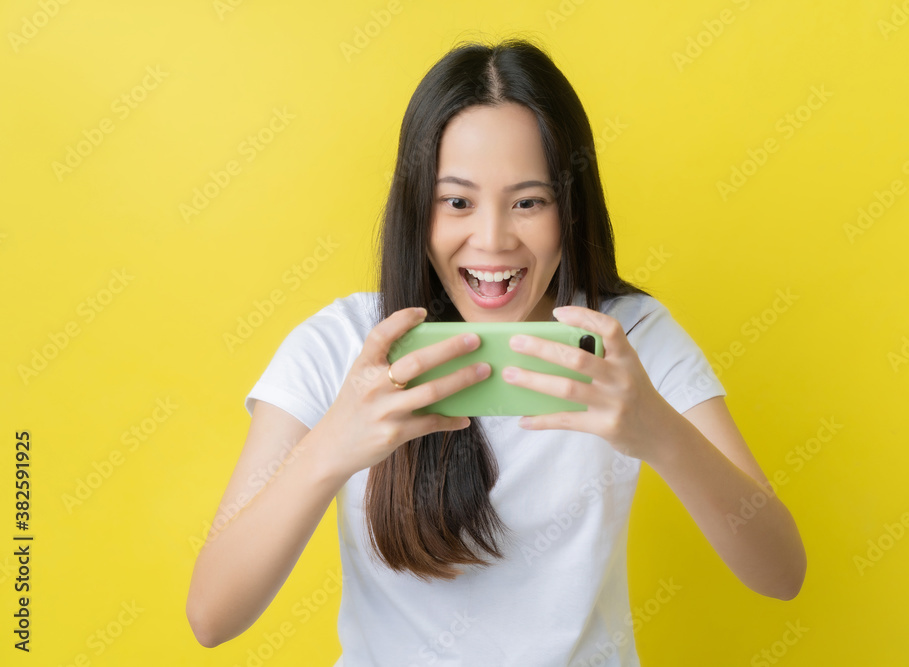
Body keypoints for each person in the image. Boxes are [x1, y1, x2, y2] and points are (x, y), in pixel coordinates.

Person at [185, 37, 806, 665]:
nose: (491, 240)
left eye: (528, 202)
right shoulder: (342, 343)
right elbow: (212, 614)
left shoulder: (626, 338)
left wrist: (660, 433)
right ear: (417, 211)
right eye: (457, 202)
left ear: (571, 209)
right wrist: (330, 449)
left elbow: (781, 573)